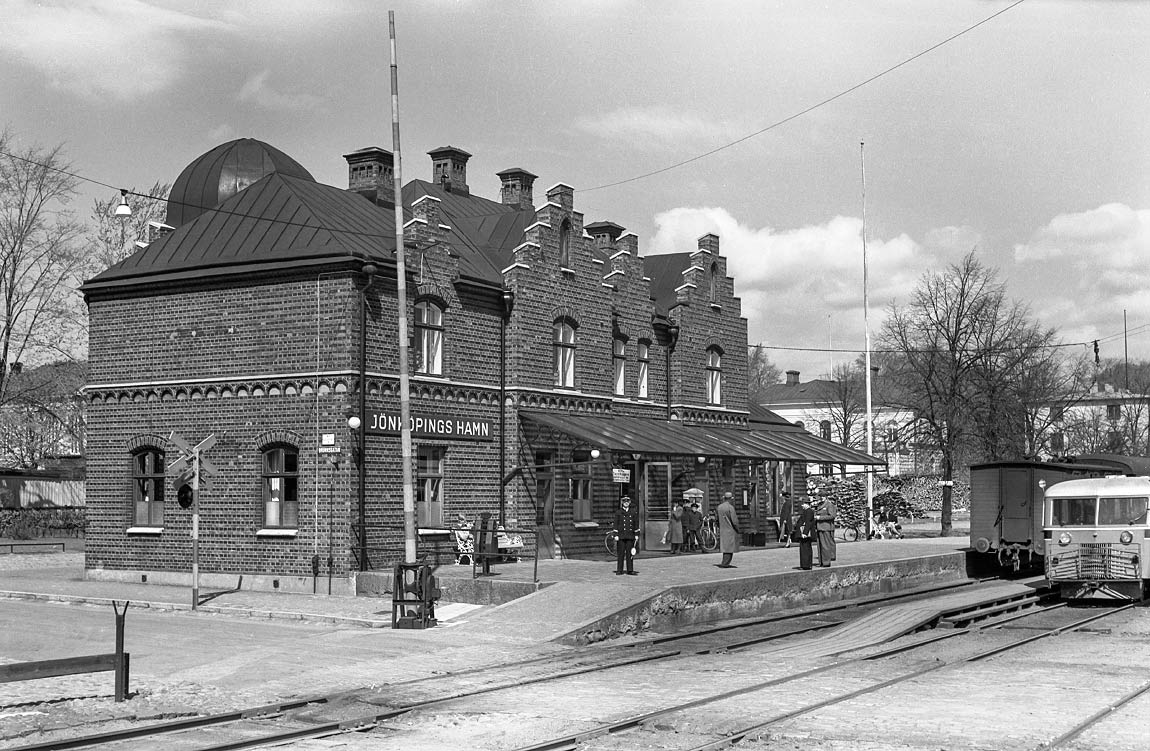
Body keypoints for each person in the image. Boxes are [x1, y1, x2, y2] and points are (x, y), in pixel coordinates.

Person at [614, 495, 641, 575]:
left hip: (630, 536)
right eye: (624, 502)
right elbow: (616, 524)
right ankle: (619, 570)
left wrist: (636, 534)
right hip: (621, 536)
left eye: (627, 502)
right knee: (621, 554)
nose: (626, 503)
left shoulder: (633, 512)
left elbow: (636, 524)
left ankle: (630, 569)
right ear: (622, 503)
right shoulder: (618, 512)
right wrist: (616, 534)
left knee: (630, 554)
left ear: (629, 502)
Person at [715, 491, 741, 568]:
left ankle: (725, 562)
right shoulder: (730, 508)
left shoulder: (719, 507)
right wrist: (738, 529)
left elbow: (717, 519)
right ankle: (725, 563)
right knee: (729, 548)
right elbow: (734, 521)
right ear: (730, 499)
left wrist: (719, 526)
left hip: (723, 529)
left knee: (725, 546)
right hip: (730, 530)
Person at [815, 496, 838, 567]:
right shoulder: (820, 505)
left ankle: (826, 562)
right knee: (820, 546)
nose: (821, 498)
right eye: (820, 497)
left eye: (823, 497)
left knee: (826, 545)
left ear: (826, 497)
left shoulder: (829, 505)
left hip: (826, 527)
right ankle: (821, 562)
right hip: (820, 527)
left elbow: (832, 516)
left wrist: (820, 518)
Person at [796, 499, 816, 570]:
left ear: (807, 504)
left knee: (805, 549)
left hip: (806, 534)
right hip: (805, 533)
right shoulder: (807, 511)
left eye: (803, 504)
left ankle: (806, 565)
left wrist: (805, 533)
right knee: (804, 549)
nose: (802, 505)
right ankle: (805, 564)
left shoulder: (809, 511)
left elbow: (808, 523)